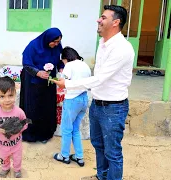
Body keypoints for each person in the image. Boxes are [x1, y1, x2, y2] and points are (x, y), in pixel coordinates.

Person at [51, 5, 134, 180]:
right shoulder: (103, 44)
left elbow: (99, 78)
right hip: (97, 103)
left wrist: (68, 84)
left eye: (103, 17)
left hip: (113, 108)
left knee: (113, 153)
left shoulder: (122, 48)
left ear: (115, 22)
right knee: (98, 145)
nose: (98, 20)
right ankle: (101, 176)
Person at [19, 27, 64, 143]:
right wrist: (38, 73)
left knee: (46, 107)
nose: (56, 44)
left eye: (58, 41)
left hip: (49, 82)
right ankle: (31, 135)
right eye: (54, 41)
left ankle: (45, 134)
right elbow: (26, 64)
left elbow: (58, 60)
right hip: (33, 82)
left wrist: (61, 68)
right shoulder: (33, 46)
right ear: (47, 39)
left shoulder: (57, 46)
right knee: (33, 107)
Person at [53, 47, 91, 167]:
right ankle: (79, 156)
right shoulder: (85, 65)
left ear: (66, 58)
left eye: (63, 61)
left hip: (72, 100)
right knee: (75, 129)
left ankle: (64, 155)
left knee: (66, 129)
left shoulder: (69, 65)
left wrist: (55, 80)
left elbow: (63, 82)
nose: (63, 63)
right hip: (84, 99)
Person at [0, 76, 28, 178]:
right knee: (3, 158)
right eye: (2, 96)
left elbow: (25, 123)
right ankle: (5, 168)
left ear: (15, 94)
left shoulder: (19, 112)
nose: (7, 100)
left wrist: (18, 129)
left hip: (16, 144)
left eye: (10, 95)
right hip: (2, 145)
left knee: (17, 158)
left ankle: (17, 170)